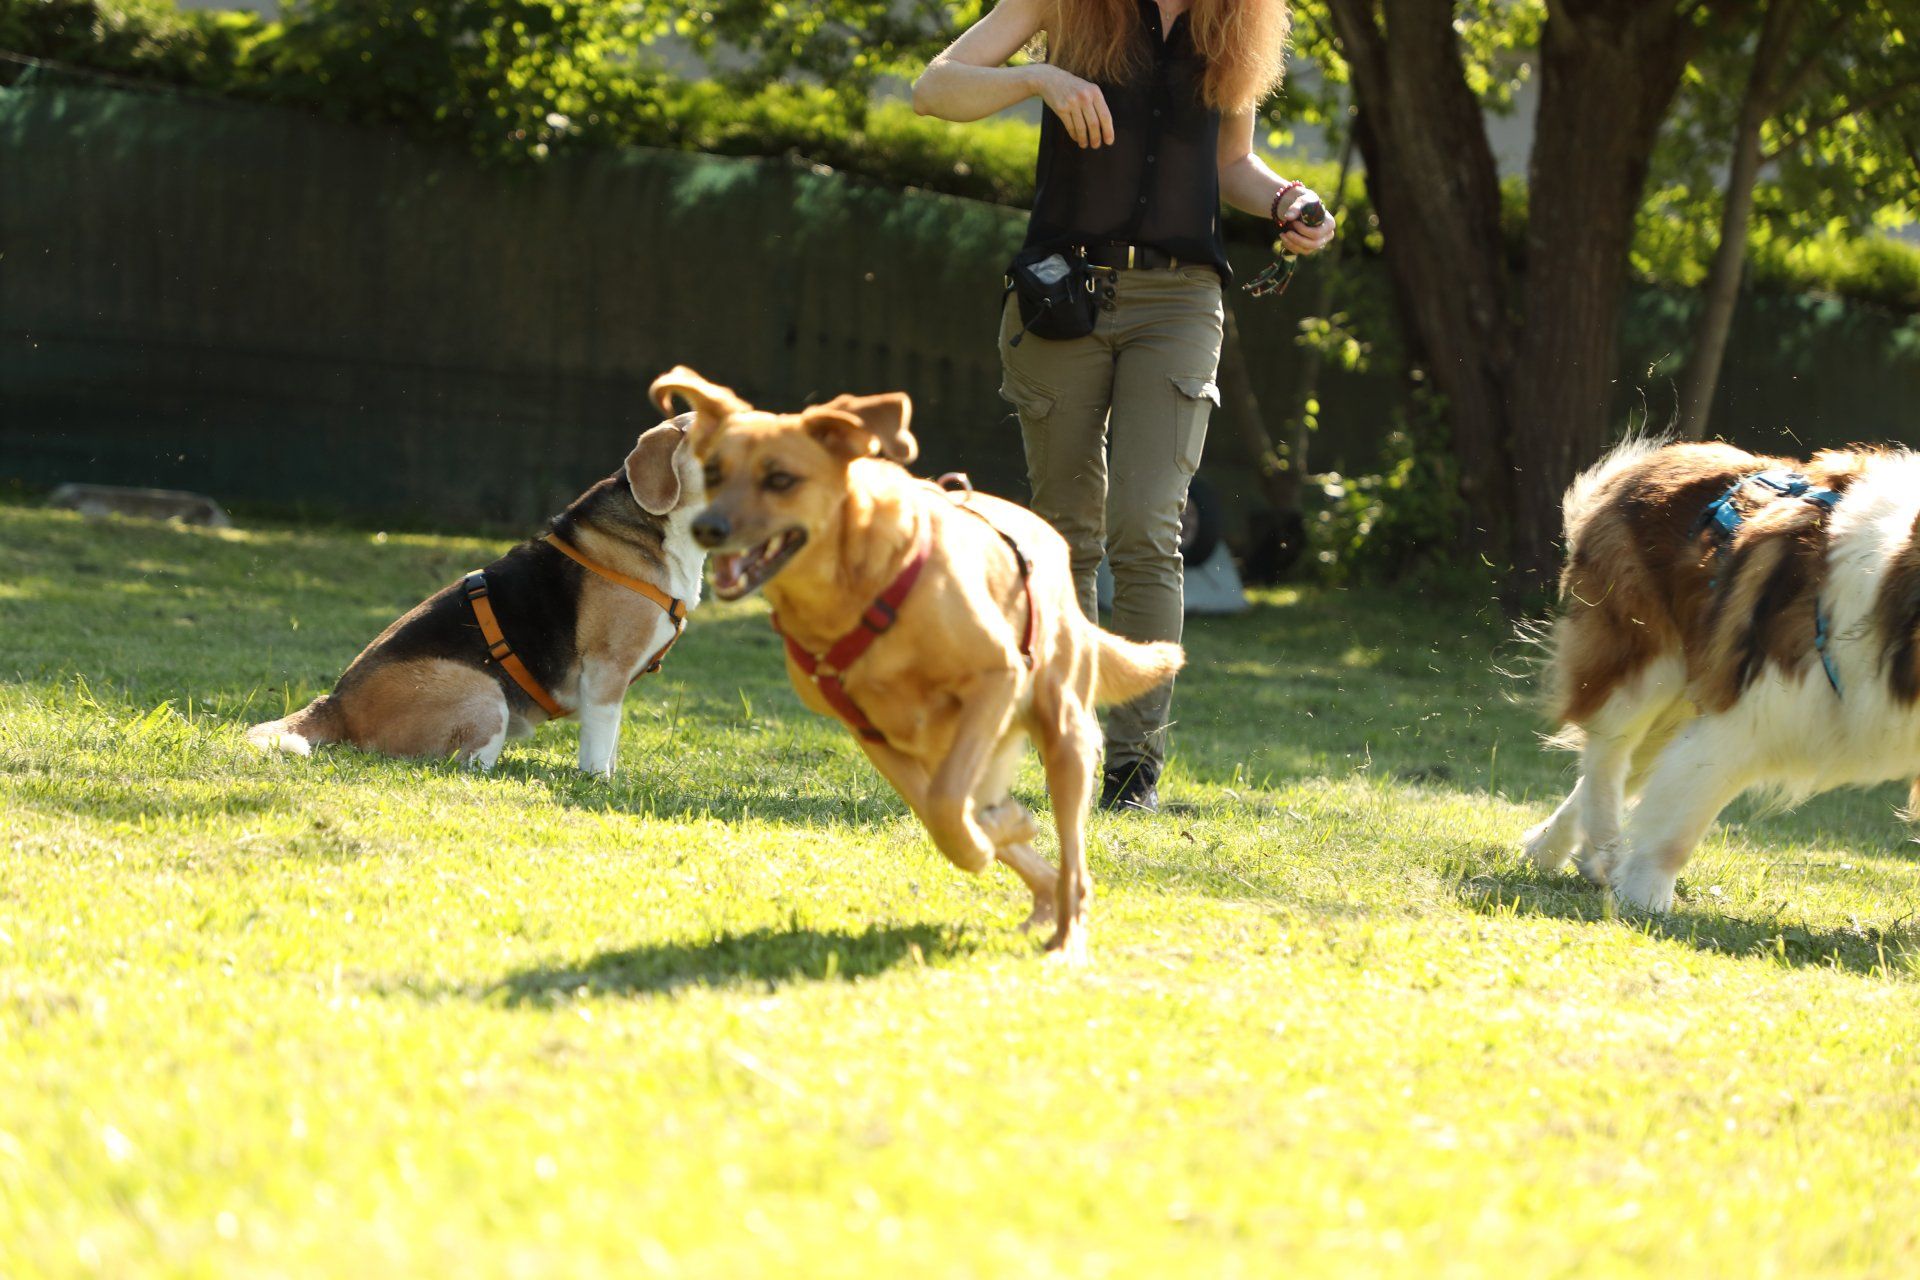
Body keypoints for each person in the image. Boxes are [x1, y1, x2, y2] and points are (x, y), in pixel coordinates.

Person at [913, 0, 1335, 813]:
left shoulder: (1235, 21)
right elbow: (933, 91)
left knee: (1147, 524)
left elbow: (1231, 162)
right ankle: (1066, 737)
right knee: (1065, 529)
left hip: (1179, 302)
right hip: (1062, 291)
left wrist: (1285, 197)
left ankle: (1134, 770)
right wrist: (1040, 76)